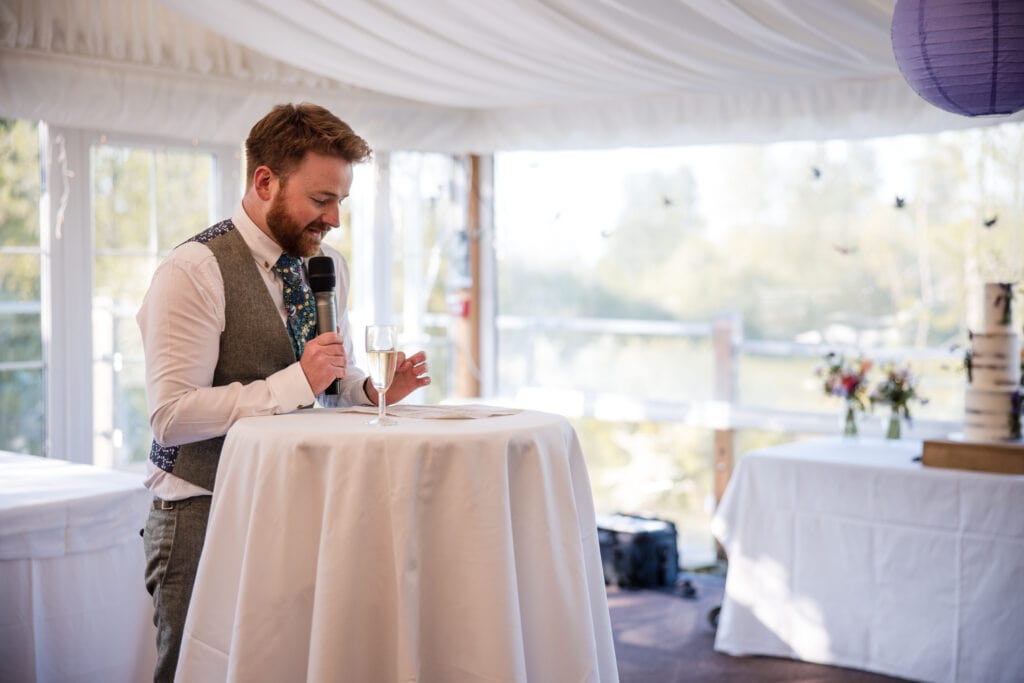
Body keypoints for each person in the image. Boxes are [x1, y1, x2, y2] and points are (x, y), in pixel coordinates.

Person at [136, 102, 430, 682]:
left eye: (341, 201)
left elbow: (331, 380)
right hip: (202, 510)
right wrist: (297, 382)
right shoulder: (194, 270)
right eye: (322, 200)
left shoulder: (327, 267)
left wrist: (371, 390)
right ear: (265, 181)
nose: (335, 220)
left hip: (296, 507)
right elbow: (170, 417)